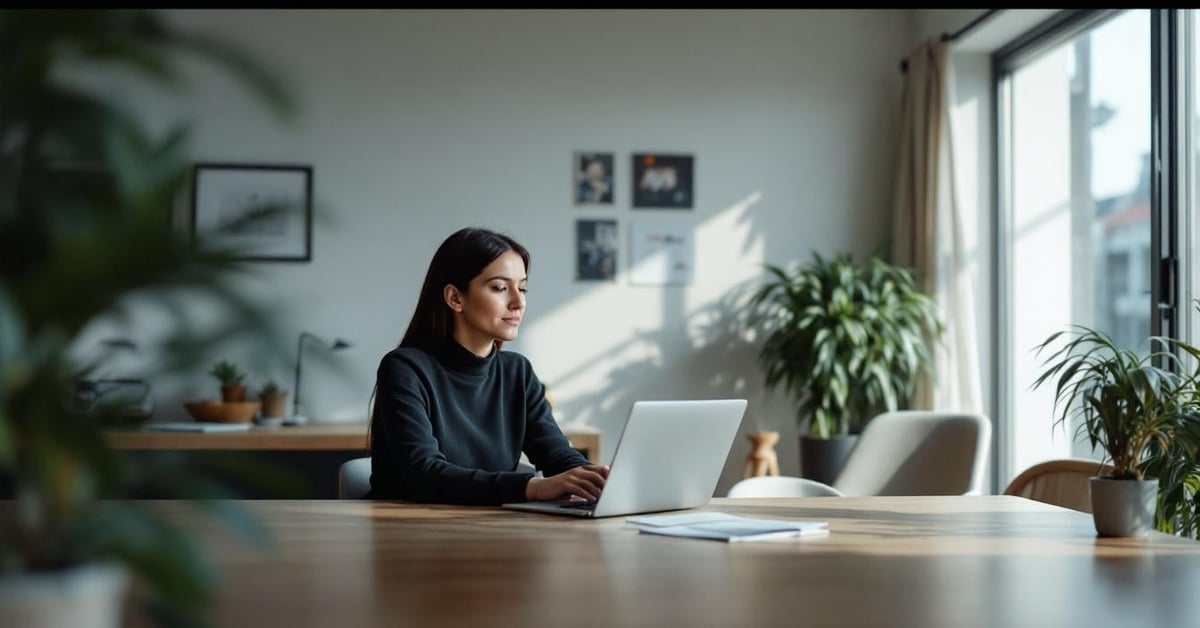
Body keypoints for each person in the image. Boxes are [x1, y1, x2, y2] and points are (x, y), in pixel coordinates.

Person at [369, 227, 610, 505]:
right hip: (407, 533)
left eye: (522, 288)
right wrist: (533, 487)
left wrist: (597, 478)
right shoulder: (405, 368)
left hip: (488, 528)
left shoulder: (517, 372)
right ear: (455, 298)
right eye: (499, 288)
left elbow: (556, 454)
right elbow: (425, 474)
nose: (518, 302)